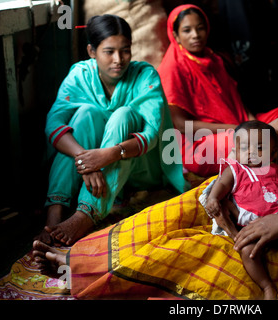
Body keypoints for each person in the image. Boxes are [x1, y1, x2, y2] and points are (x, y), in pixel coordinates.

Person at [33, 16, 278, 300]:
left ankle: (94, 273)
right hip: (271, 194)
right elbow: (267, 136)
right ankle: (79, 258)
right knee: (184, 208)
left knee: (198, 255)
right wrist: (232, 175)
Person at [36, 14, 188, 246]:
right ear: (91, 51)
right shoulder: (80, 75)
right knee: (86, 114)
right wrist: (85, 160)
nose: (119, 59)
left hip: (142, 167)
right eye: (109, 51)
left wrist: (108, 155)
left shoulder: (144, 75)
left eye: (125, 50)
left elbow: (152, 135)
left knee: (123, 115)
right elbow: (53, 124)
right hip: (96, 166)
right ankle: (53, 215)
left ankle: (85, 215)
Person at [157, 4, 278, 177]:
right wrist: (236, 129)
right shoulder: (172, 67)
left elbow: (237, 102)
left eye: (200, 28)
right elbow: (182, 126)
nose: (195, 35)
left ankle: (274, 155)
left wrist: (251, 122)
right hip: (200, 142)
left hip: (237, 125)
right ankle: (276, 165)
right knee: (247, 141)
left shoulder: (215, 59)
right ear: (175, 35)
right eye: (187, 30)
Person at [201, 120, 278, 300]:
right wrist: (213, 198)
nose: (251, 153)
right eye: (245, 148)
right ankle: (267, 286)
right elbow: (221, 183)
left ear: (273, 152)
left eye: (259, 148)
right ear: (236, 152)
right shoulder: (236, 169)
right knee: (247, 250)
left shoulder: (275, 168)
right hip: (252, 226)